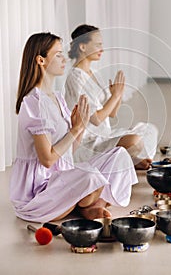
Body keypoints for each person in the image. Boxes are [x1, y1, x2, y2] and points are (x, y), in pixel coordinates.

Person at [9, 32, 138, 223]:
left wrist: (82, 125)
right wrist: (75, 130)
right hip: (39, 192)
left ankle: (86, 204)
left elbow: (68, 152)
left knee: (119, 156)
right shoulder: (34, 102)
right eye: (58, 54)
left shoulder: (58, 98)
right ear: (40, 60)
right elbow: (47, 159)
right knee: (90, 176)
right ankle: (89, 203)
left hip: (64, 178)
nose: (64, 59)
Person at [65, 24, 158, 170]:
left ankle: (131, 160)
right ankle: (129, 161)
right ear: (82, 47)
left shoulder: (95, 73)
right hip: (87, 143)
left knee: (149, 130)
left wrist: (118, 94)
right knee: (135, 141)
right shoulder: (75, 78)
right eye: (98, 45)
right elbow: (96, 119)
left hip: (104, 135)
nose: (102, 49)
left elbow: (112, 113)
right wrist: (115, 96)